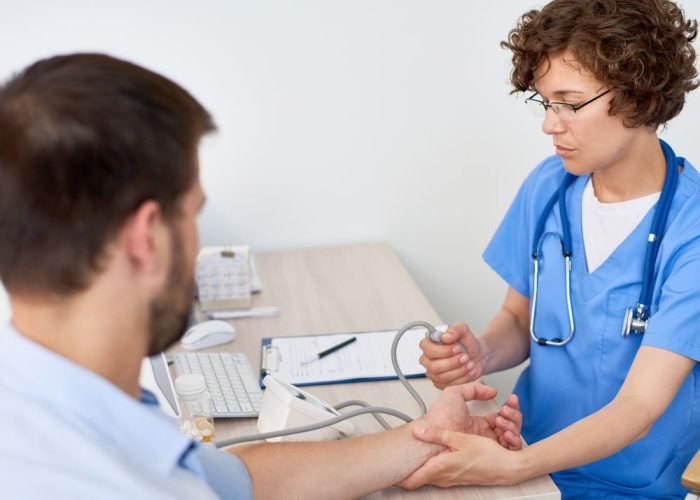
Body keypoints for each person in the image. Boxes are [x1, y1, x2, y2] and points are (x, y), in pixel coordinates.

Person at [0, 53, 524, 499]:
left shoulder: (50, 395)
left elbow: (239, 481)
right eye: (192, 213)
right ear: (146, 238)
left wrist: (426, 436)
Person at [412, 0, 700, 498]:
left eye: (569, 103)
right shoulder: (549, 187)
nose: (550, 124)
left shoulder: (690, 230)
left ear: (638, 94)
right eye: (545, 103)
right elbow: (519, 319)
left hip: (626, 484)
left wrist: (510, 470)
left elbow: (639, 404)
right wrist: (479, 354)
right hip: (521, 454)